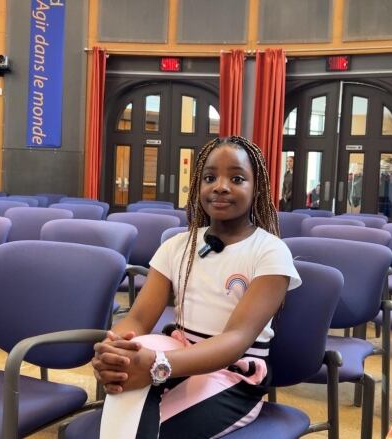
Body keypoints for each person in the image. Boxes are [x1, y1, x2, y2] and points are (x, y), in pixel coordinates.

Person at [92, 136, 301, 438]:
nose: (220, 186)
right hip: (179, 353)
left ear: (257, 189)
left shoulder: (270, 252)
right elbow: (138, 319)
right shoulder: (178, 245)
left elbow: (236, 338)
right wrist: (115, 348)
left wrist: (158, 364)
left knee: (155, 431)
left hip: (232, 373)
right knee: (123, 400)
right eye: (210, 177)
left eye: (237, 178)